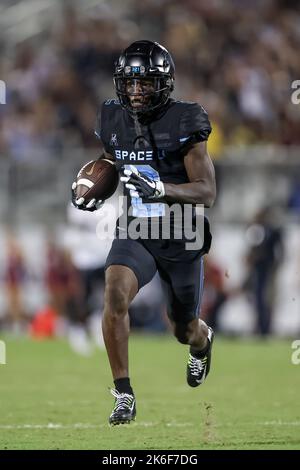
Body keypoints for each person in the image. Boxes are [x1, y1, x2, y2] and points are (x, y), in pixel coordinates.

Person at [71, 40, 216, 425]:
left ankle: (201, 342)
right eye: (130, 83)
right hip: (135, 228)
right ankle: (123, 393)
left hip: (182, 233)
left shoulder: (186, 119)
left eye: (145, 83)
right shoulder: (111, 116)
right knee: (114, 292)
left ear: (163, 83)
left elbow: (207, 191)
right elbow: (112, 159)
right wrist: (92, 184)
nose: (136, 91)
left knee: (183, 329)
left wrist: (164, 189)